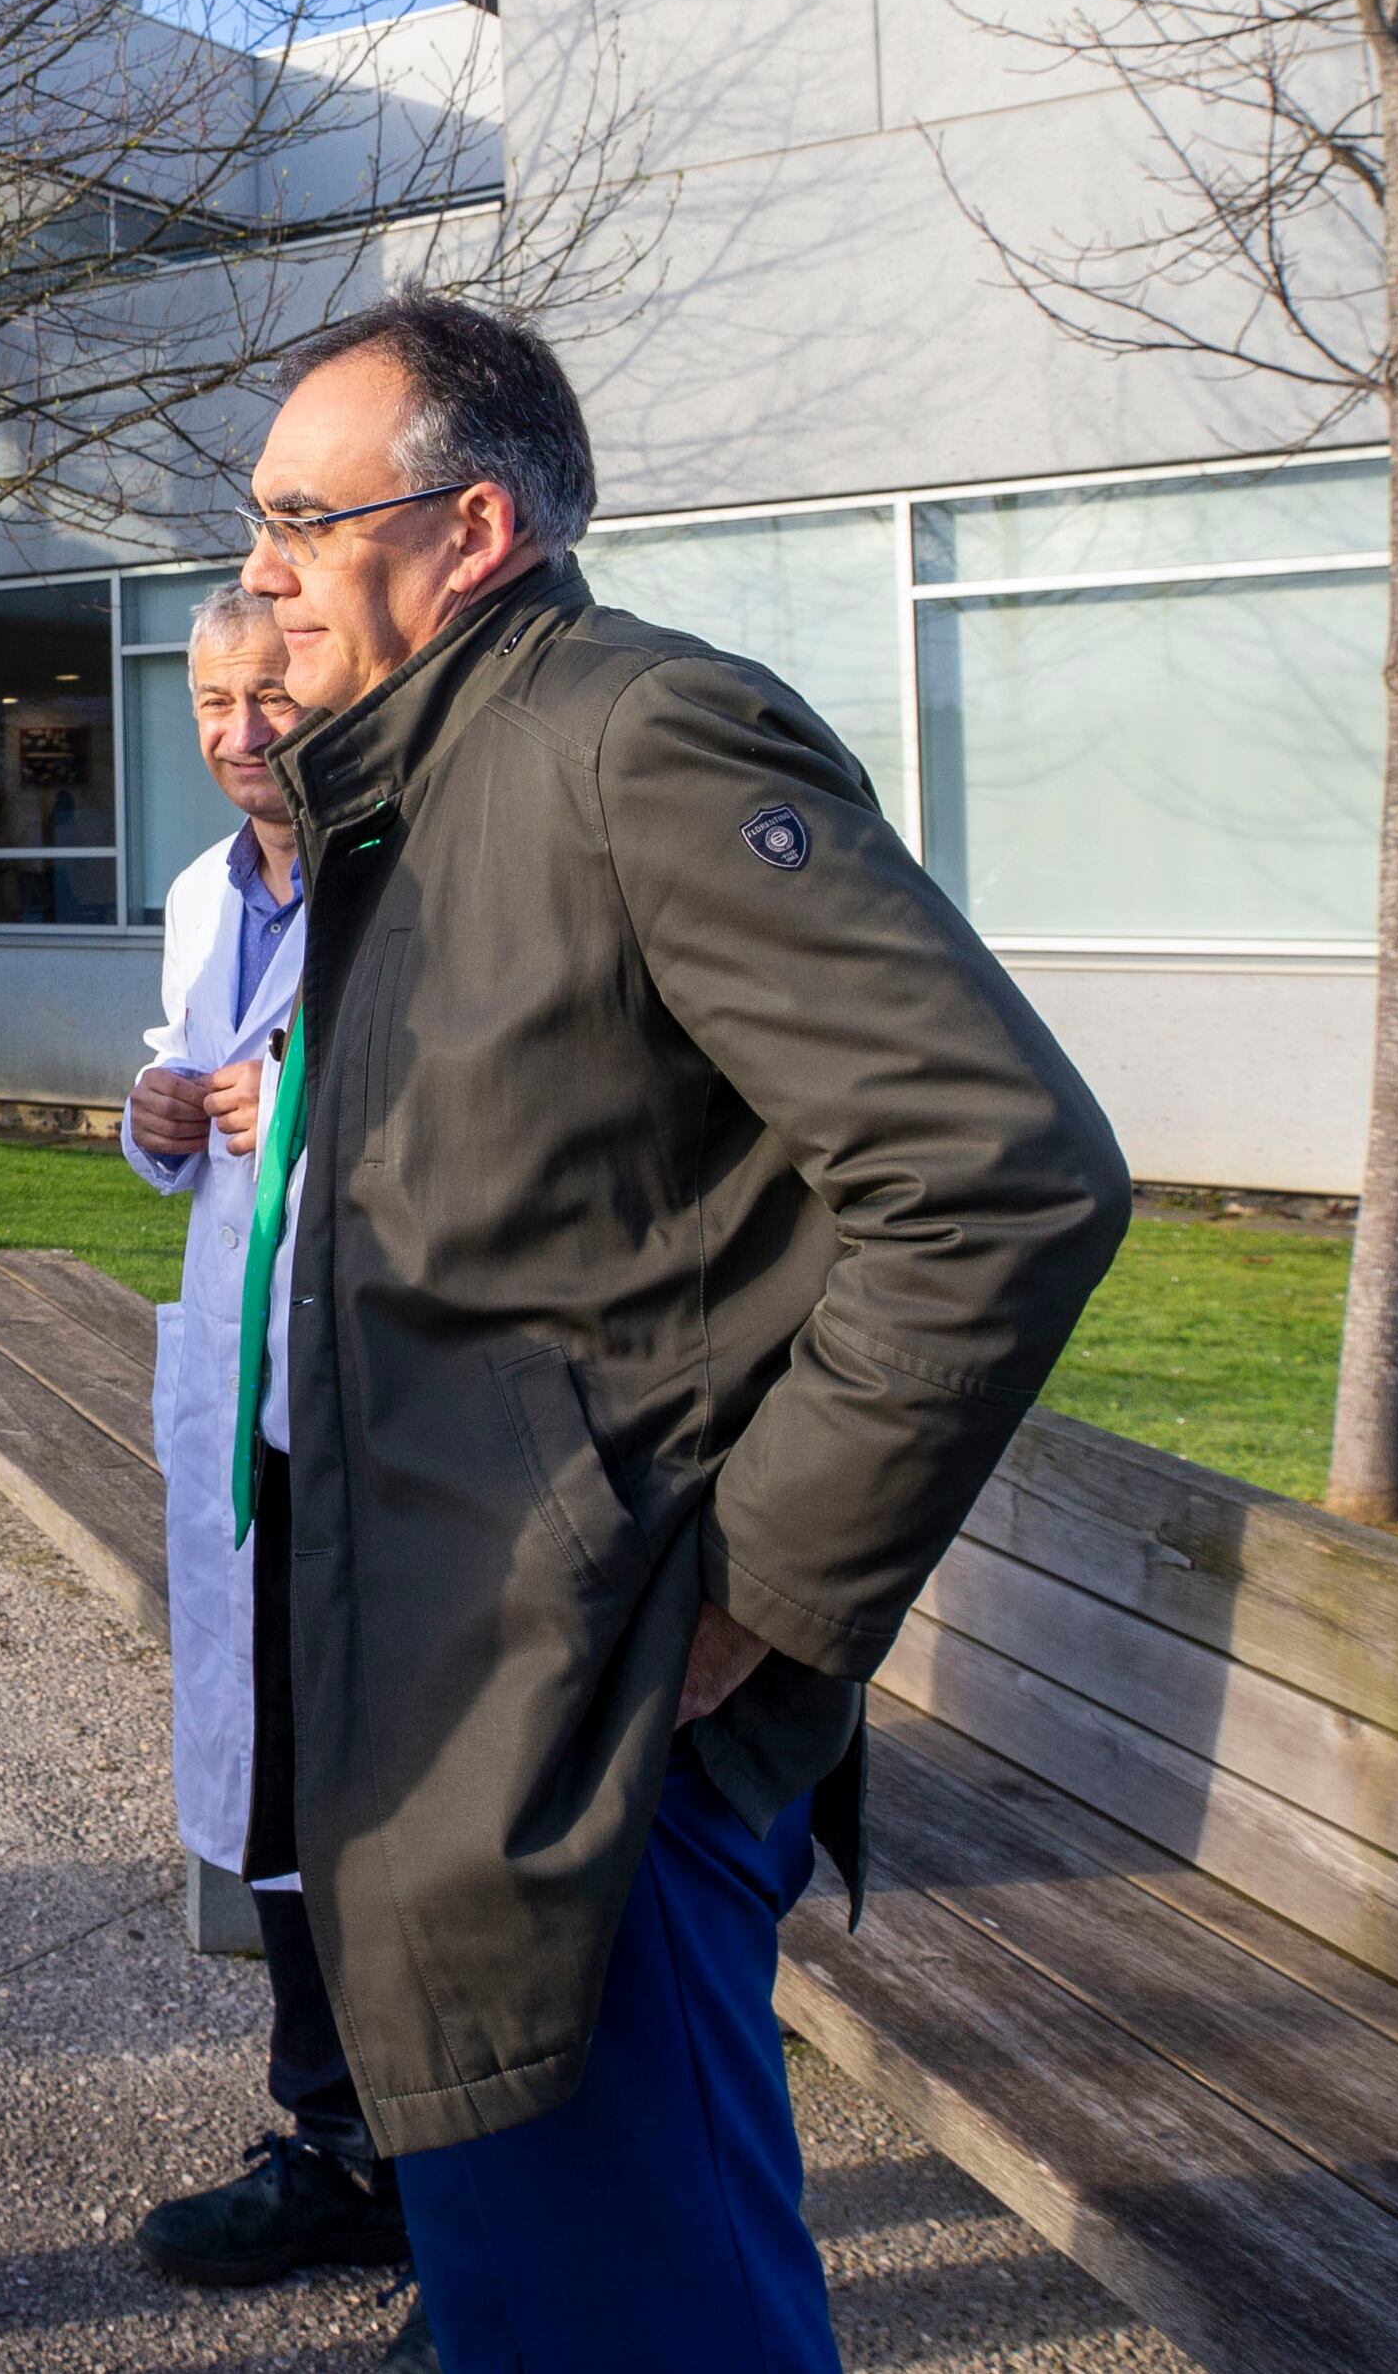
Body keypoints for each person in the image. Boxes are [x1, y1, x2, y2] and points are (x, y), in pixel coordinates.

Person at [234, 295, 1128, 2374]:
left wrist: (758, 1592)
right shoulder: (405, 790)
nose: (260, 562)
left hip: (600, 1715)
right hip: (455, 1697)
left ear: (468, 532)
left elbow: (1001, 1172)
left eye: (305, 512)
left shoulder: (630, 740)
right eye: (254, 514)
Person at [112, 588, 409, 2294]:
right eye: (213, 700)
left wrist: (296, 1088)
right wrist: (160, 1114)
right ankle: (332, 2137)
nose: (238, 729)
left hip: (377, 1407)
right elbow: (193, 1099)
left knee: (387, 1801)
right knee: (279, 1780)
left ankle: (455, 2191)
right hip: (247, 1407)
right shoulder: (203, 894)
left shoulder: (407, 883)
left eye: (267, 695)